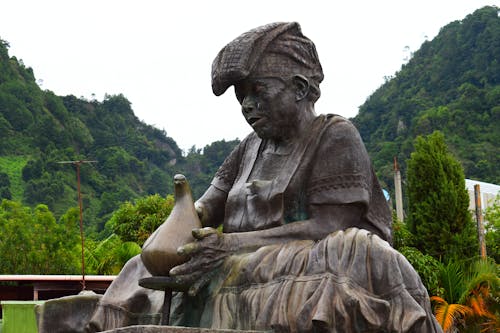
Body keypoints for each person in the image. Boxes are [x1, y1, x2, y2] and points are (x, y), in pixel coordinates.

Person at [37, 22, 441, 332]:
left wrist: (229, 245)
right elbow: (203, 210)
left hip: (295, 255)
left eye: (258, 91)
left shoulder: (334, 136)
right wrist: (180, 235)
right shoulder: (248, 148)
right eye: (241, 96)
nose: (248, 105)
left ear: (299, 88)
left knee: (351, 252)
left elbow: (330, 225)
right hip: (232, 258)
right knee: (139, 268)